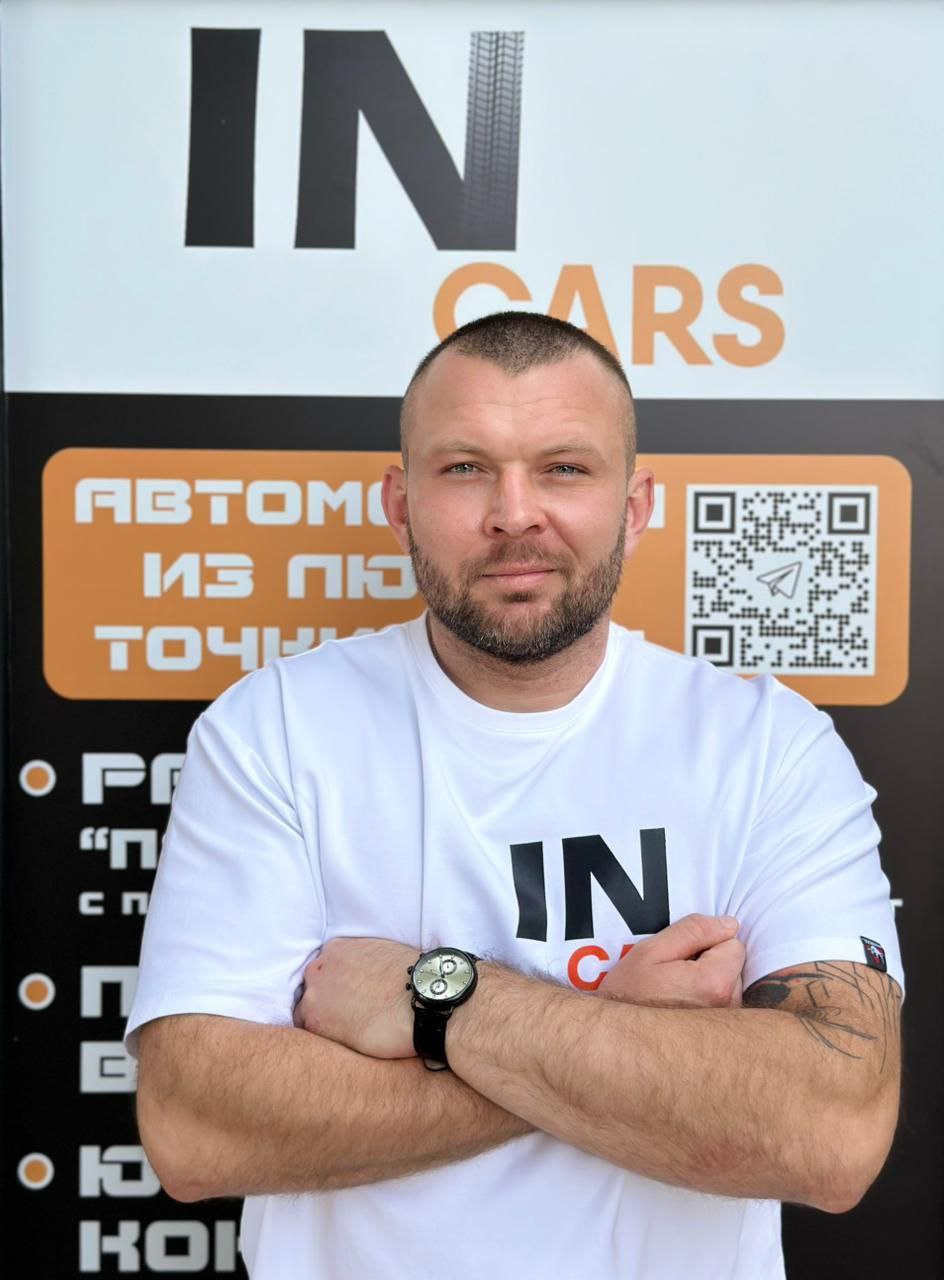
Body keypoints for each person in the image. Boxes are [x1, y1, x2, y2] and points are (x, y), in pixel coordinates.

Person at [126, 312, 903, 1280]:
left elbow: (830, 1130)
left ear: (635, 506)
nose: (514, 513)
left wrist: (438, 1002)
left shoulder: (764, 744)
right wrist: (623, 1024)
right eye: (465, 469)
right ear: (400, 504)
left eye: (563, 468)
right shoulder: (274, 729)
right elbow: (196, 1129)